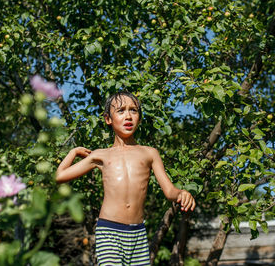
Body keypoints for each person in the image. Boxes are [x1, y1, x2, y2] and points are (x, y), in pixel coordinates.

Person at [56, 91, 196, 266]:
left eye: (134, 110)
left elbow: (169, 191)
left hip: (138, 234)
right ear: (108, 118)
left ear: (139, 117)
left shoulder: (149, 153)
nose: (128, 116)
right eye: (121, 111)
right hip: (109, 231)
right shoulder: (101, 155)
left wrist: (182, 193)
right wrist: (73, 152)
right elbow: (59, 176)